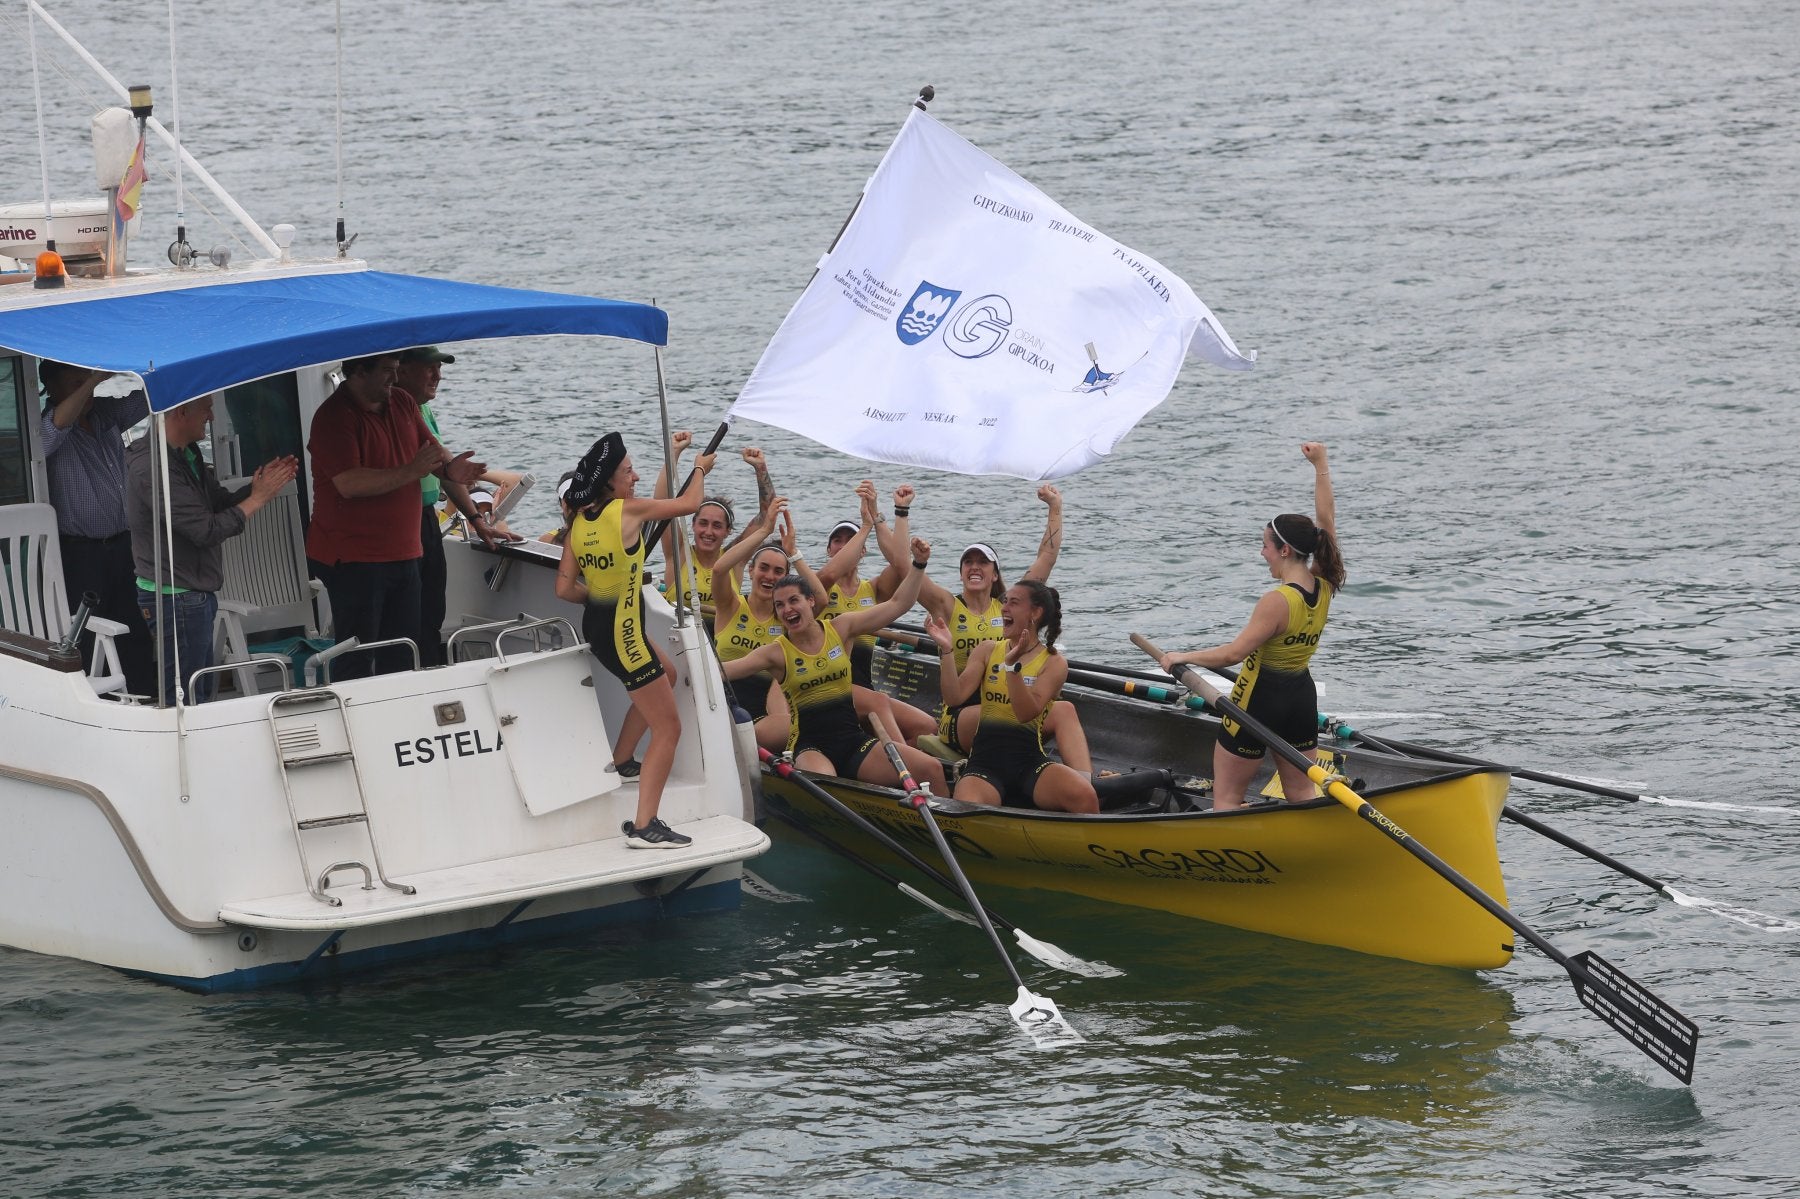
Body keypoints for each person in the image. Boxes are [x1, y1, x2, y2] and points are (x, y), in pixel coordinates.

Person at [1159, 442, 1344, 811]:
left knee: (1226, 797)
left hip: (1258, 700)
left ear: (1284, 550)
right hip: (1301, 700)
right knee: (1301, 794)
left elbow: (1234, 653)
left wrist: (1180, 656)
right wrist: (1321, 464)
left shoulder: (1276, 601)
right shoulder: (1325, 584)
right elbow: (1327, 521)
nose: (1262, 554)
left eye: (1265, 546)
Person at [554, 431, 714, 848]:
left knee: (668, 671)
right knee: (668, 728)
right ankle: (645, 826)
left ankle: (623, 758)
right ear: (610, 481)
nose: (635, 476)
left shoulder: (578, 524)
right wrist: (699, 468)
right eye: (628, 471)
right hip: (626, 637)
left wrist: (605, 595)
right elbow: (689, 504)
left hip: (600, 629)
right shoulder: (624, 511)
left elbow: (565, 589)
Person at [304, 352, 487, 679]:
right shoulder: (333, 417)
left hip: (406, 552)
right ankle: (351, 722)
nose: (395, 378)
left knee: (404, 649)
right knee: (357, 653)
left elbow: (433, 453)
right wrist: (411, 471)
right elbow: (349, 483)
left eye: (397, 370)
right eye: (388, 371)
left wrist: (450, 468)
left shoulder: (402, 402)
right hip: (353, 557)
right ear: (359, 372)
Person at [721, 540, 949, 795]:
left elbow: (899, 604)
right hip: (810, 746)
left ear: (810, 601)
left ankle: (947, 831)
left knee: (931, 768)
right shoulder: (776, 652)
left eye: (793, 601)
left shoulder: (841, 629)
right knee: (829, 784)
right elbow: (723, 671)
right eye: (780, 605)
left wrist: (919, 563)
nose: (787, 610)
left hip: (853, 741)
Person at [124, 394, 298, 704]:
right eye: (207, 409)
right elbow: (205, 530)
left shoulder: (183, 455)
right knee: (188, 698)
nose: (212, 417)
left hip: (191, 594)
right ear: (181, 411)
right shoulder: (152, 467)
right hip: (174, 596)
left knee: (198, 691)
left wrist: (260, 487)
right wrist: (257, 499)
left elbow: (216, 504)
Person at [916, 484, 1091, 773]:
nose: (975, 567)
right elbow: (902, 569)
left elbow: (1046, 556)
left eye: (983, 562)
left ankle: (1088, 784)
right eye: (968, 562)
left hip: (1012, 703)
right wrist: (899, 518)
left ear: (995, 574)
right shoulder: (948, 606)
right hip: (962, 711)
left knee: (1065, 710)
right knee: (1006, 711)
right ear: (961, 573)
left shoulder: (1011, 605)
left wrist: (1055, 508)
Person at [927, 579, 1097, 813]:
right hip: (985, 764)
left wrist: (1011, 669)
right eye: (1004, 601)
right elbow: (954, 698)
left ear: (1035, 613)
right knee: (966, 807)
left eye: (1014, 603)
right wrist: (947, 651)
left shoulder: (1054, 663)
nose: (1004, 608)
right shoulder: (987, 650)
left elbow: (1026, 713)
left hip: (1028, 762)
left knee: (1085, 796)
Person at [37, 360, 156, 694]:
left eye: (86, 382)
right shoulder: (47, 425)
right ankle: (94, 704)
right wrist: (91, 382)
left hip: (123, 545)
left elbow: (150, 397)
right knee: (86, 635)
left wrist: (130, 363)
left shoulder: (105, 415)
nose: (85, 390)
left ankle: (143, 699)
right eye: (74, 384)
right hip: (79, 552)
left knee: (134, 628)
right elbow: (53, 430)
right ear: (53, 389)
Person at [393, 345, 515, 666]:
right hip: (400, 524)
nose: (438, 375)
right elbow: (445, 467)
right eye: (429, 368)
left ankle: (432, 671)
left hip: (426, 521)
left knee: (431, 609)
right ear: (401, 370)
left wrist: (476, 519)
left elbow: (445, 475)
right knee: (408, 619)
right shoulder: (397, 410)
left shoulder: (423, 409)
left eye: (440, 368)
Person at [814, 480, 937, 741]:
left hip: (864, 686)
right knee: (880, 703)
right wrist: (866, 526)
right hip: (827, 683)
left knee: (926, 726)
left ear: (863, 551)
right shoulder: (819, 587)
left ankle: (896, 765)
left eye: (851, 540)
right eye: (838, 541)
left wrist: (898, 513)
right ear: (829, 550)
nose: (845, 545)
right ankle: (904, 772)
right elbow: (831, 572)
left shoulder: (874, 590)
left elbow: (902, 563)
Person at [712, 501, 833, 753]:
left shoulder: (788, 619)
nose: (769, 576)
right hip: (721, 703)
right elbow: (720, 568)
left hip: (764, 715)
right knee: (797, 726)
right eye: (763, 568)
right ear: (750, 571)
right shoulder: (731, 605)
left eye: (779, 572)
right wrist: (764, 531)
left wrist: (794, 553)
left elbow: (820, 599)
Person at [653, 437, 775, 625]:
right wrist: (673, 453)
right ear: (693, 525)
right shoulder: (678, 553)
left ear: (728, 531)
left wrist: (761, 468)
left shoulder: (734, 560)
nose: (708, 531)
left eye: (717, 526)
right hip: (681, 638)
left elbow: (767, 516)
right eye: (703, 523)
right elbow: (661, 503)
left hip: (719, 642)